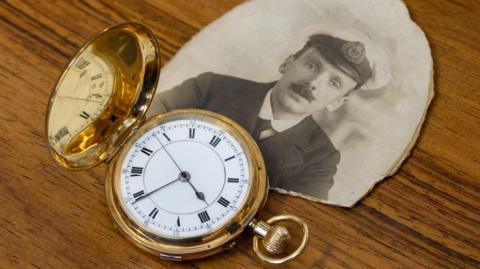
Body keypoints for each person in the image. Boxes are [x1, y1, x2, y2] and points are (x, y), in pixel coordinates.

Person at [147, 28, 389, 199]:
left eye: (334, 83)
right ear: (288, 62)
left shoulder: (321, 160)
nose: (314, 82)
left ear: (338, 102)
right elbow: (144, 124)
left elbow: (289, 217)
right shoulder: (212, 87)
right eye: (312, 66)